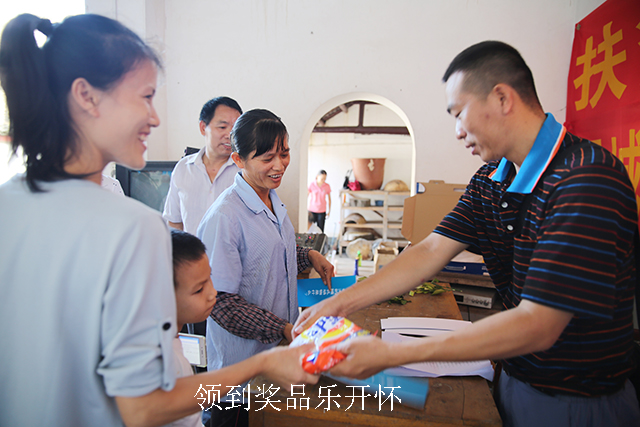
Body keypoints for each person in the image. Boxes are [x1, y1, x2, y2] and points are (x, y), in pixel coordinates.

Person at [294, 41, 640, 427]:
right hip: (514, 379)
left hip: (577, 401)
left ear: (502, 98)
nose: (458, 132)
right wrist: (339, 303)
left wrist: (392, 355)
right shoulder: (489, 180)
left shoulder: (585, 179)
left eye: (459, 114)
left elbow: (538, 325)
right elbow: (430, 250)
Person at [0, 14, 317, 427]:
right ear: (86, 96)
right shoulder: (133, 228)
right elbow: (144, 405)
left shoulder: (9, 205)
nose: (154, 118)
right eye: (145, 97)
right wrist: (261, 365)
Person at [197, 109, 335, 427]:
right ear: (238, 159)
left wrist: (309, 256)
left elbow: (270, 252)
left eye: (284, 154)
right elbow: (221, 304)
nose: (279, 165)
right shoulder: (225, 217)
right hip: (239, 379)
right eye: (267, 158)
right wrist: (283, 329)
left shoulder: (271, 198)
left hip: (275, 361)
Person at [163, 97, 242, 234]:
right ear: (203, 127)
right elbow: (174, 222)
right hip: (191, 248)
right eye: (222, 127)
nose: (230, 135)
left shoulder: (245, 170)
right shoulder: (183, 168)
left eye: (235, 128)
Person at [169, 229, 218, 427]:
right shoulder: (166, 361)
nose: (213, 293)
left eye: (210, 278)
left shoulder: (173, 342)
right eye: (199, 290)